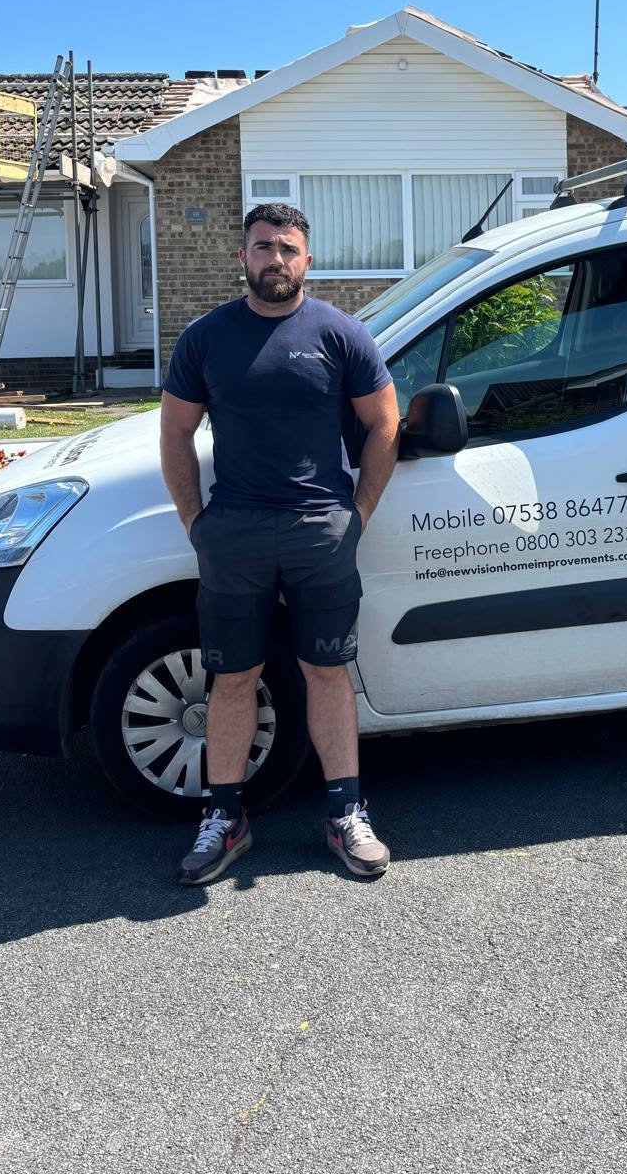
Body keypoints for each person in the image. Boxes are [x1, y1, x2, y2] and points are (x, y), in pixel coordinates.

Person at [160, 201, 400, 886]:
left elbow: (384, 426)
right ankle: (225, 819)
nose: (275, 259)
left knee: (327, 671)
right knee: (232, 677)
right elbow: (175, 434)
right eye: (263, 247)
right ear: (243, 256)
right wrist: (194, 523)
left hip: (318, 531)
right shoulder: (207, 338)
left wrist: (356, 514)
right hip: (233, 532)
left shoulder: (339, 333)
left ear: (307, 259)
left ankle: (345, 814)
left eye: (287, 248)